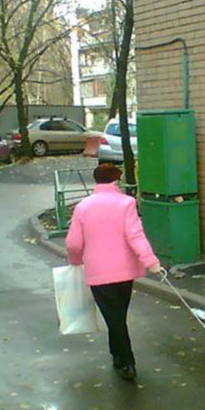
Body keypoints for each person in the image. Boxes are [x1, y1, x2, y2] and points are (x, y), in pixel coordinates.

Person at [65, 163, 162, 381]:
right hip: (125, 272)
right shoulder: (126, 203)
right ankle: (117, 356)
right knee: (117, 316)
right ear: (115, 181)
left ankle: (127, 362)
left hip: (99, 273)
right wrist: (151, 261)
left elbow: (73, 243)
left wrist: (75, 261)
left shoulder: (83, 207)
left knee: (114, 318)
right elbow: (135, 235)